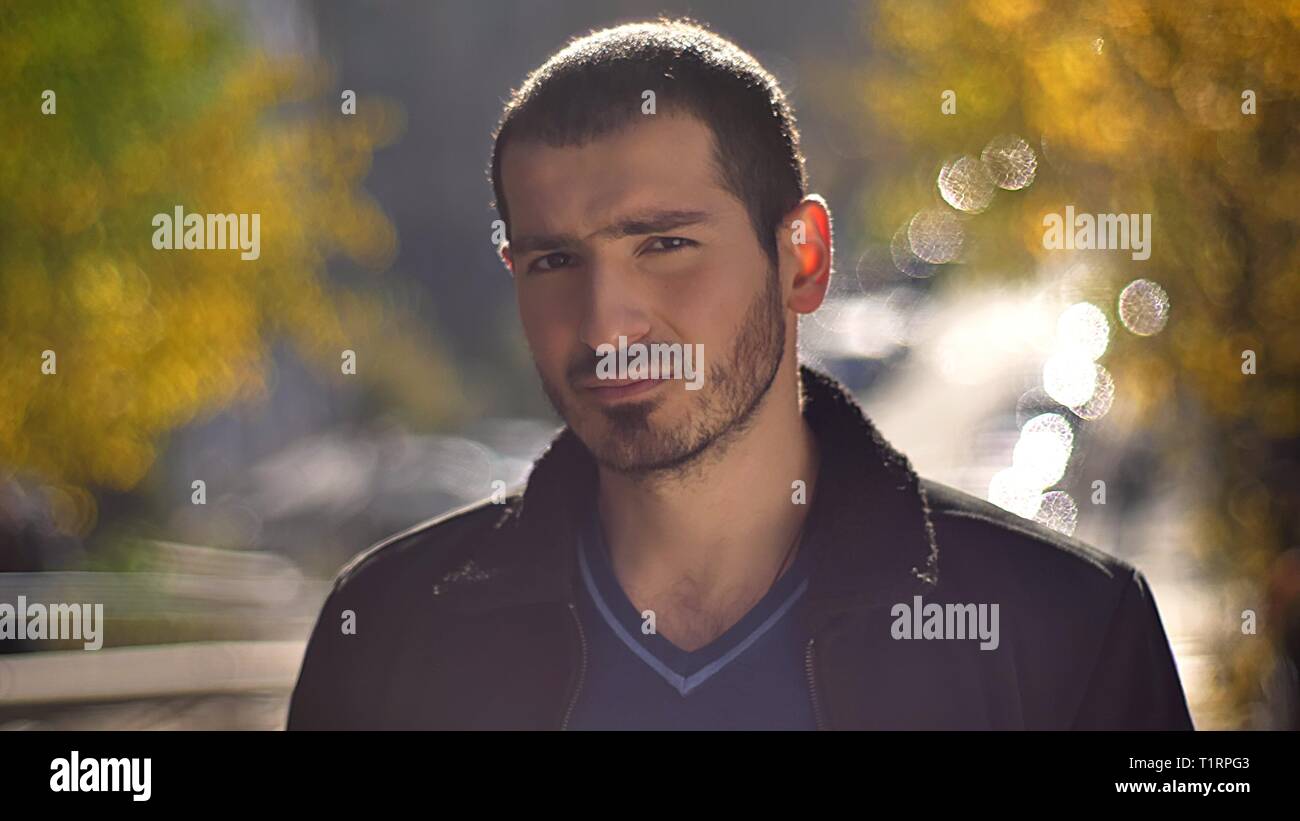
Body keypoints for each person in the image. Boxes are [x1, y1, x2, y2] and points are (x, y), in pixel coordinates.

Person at [287, 18, 1193, 730]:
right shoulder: (392, 632)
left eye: (665, 244)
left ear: (802, 258)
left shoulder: (1066, 630)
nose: (607, 321)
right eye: (553, 262)